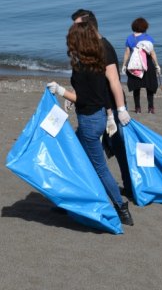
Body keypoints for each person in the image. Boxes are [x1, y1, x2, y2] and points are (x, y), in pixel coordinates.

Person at [46, 16, 133, 226]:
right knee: (76, 157)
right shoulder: (96, 63)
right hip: (100, 117)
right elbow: (102, 94)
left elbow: (84, 98)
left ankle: (121, 207)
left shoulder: (82, 67)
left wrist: (61, 92)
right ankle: (69, 201)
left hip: (89, 122)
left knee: (98, 166)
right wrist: (111, 114)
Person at [71, 9, 133, 199]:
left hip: (111, 107)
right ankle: (88, 192)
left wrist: (120, 110)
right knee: (86, 148)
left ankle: (130, 189)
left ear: (89, 26)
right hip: (97, 105)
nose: (74, 30)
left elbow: (114, 82)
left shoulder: (104, 47)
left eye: (78, 26)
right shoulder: (89, 48)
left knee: (120, 148)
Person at [120, 17, 161, 114]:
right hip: (147, 65)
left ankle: (137, 108)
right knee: (150, 87)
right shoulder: (148, 38)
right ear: (145, 27)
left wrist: (124, 65)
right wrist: (157, 65)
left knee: (136, 88)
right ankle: (151, 108)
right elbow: (152, 53)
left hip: (135, 65)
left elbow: (127, 53)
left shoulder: (130, 38)